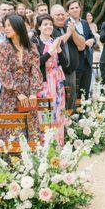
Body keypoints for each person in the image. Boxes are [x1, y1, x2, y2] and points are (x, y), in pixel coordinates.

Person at [0, 14, 43, 139]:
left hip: (29, 93)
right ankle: (12, 158)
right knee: (12, 131)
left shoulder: (31, 46)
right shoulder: (3, 47)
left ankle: (32, 157)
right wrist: (17, 93)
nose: (6, 28)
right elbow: (3, 72)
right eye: (5, 26)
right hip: (10, 95)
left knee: (31, 127)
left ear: (18, 27)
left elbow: (36, 70)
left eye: (9, 26)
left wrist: (33, 92)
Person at [33, 14, 68, 144]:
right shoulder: (35, 43)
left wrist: (58, 50)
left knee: (59, 113)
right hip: (44, 83)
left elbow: (65, 64)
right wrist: (50, 51)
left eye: (50, 24)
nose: (48, 27)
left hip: (57, 82)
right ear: (39, 27)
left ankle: (59, 145)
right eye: (45, 24)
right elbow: (36, 63)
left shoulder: (57, 41)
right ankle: (47, 145)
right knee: (46, 114)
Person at [51, 4, 78, 110]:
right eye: (58, 14)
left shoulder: (69, 27)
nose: (61, 17)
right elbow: (56, 44)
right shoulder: (50, 28)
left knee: (71, 97)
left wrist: (73, 32)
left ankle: (71, 121)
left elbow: (81, 45)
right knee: (59, 98)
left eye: (63, 14)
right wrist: (68, 34)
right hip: (57, 71)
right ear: (52, 16)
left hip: (71, 69)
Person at [66, 0, 95, 98]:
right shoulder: (66, 24)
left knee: (85, 93)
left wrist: (92, 40)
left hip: (87, 62)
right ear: (68, 11)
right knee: (75, 94)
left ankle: (85, 113)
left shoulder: (84, 23)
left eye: (76, 7)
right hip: (74, 63)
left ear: (80, 9)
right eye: (72, 8)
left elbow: (92, 36)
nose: (75, 10)